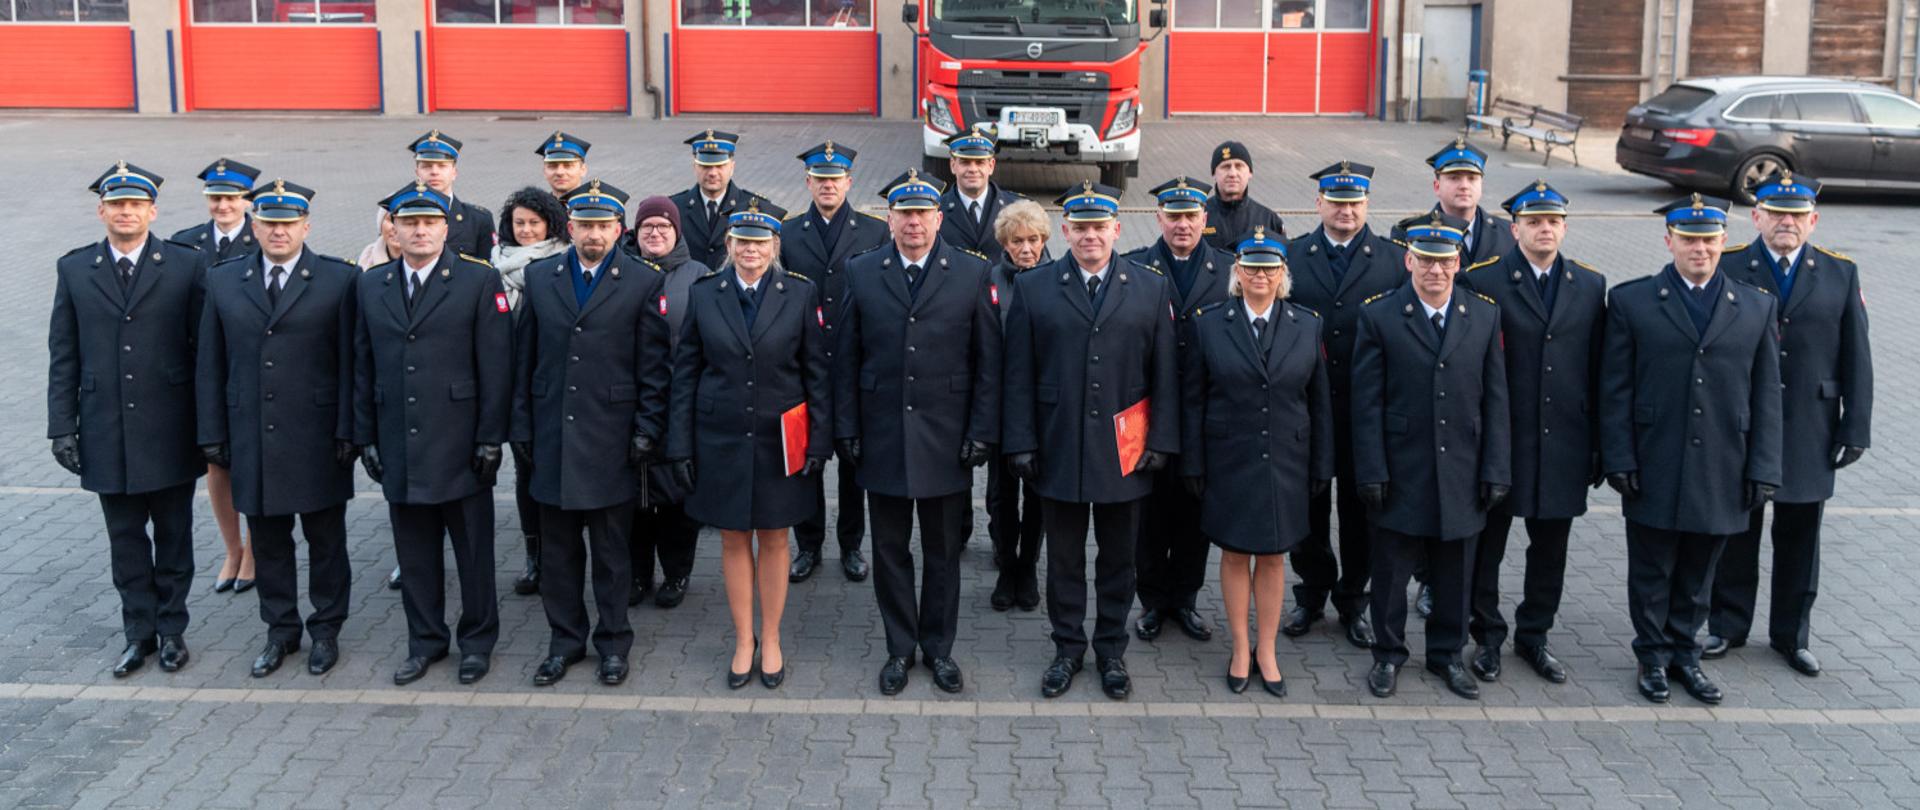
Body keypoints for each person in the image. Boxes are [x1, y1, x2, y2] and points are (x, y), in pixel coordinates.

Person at [1601, 195, 1783, 705]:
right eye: (1688, 239)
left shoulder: (1756, 306)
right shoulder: (1633, 301)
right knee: (1652, 568)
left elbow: (1767, 395)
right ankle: (1652, 656)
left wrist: (1765, 466)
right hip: (1655, 458)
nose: (1699, 248)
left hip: (1724, 463)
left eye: (1708, 239)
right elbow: (1615, 389)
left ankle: (1685, 653)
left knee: (1701, 570)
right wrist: (1619, 456)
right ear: (1669, 242)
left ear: (1724, 242)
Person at [1003, 182, 1179, 701]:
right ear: (1065, 231)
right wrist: (1020, 441)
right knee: (1063, 559)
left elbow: (1165, 373)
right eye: (1080, 227)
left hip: (1126, 451)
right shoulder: (1034, 288)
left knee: (1118, 559)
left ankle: (1110, 650)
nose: (1090, 236)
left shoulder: (1150, 287)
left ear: (1117, 229)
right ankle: (1067, 648)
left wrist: (1162, 441)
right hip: (1057, 445)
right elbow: (1018, 373)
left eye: (1099, 226)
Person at [837, 170, 1001, 695]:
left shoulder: (972, 272)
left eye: (923, 213)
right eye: (904, 214)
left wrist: (981, 430)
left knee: (943, 552)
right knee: (889, 550)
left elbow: (987, 363)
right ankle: (899, 647)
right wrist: (847, 426)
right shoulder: (862, 270)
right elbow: (846, 357)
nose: (914, 223)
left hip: (945, 436)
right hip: (882, 431)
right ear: (890, 220)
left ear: (939, 218)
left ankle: (938, 648)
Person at [1705, 172, 1871, 676]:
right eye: (1776, 213)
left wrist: (1855, 427)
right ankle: (1728, 625)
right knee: (1738, 530)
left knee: (1800, 535)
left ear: (1813, 221)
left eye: (1797, 215)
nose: (1787, 223)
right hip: (1743, 423)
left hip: (1809, 425)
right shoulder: (1729, 265)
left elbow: (1856, 355)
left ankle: (1791, 636)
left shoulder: (1840, 273)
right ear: (1756, 217)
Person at [48, 163, 207, 677]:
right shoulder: (75, 269)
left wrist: (209, 427)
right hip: (106, 430)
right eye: (117, 205)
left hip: (171, 427)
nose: (126, 212)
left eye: (136, 205)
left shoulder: (185, 265)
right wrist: (62, 427)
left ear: (152, 212)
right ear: (101, 211)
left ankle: (173, 631)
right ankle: (138, 635)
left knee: (174, 535)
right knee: (125, 540)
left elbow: (204, 352)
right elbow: (64, 355)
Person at [195, 179, 359, 678]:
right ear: (255, 225)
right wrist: (212, 432)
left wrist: (350, 430)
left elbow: (352, 363)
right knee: (268, 543)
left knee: (326, 542)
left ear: (306, 226)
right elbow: (211, 362)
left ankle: (326, 630)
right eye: (269, 223)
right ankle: (280, 630)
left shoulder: (338, 279)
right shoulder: (224, 280)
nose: (278, 232)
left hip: (317, 435)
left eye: (288, 224)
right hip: (253, 433)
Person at [512, 181, 671, 688]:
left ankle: (613, 643)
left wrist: (648, 428)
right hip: (553, 437)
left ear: (619, 229)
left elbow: (654, 367)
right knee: (558, 554)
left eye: (604, 226)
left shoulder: (643, 281)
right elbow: (524, 359)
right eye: (586, 225)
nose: (595, 234)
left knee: (611, 553)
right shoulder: (541, 278)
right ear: (571, 228)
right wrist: (521, 426)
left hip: (611, 440)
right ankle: (565, 642)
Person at [665, 199, 827, 692]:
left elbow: (817, 374)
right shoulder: (705, 293)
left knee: (775, 537)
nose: (750, 250)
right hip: (721, 436)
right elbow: (686, 373)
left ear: (774, 246)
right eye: (742, 242)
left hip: (781, 439)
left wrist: (819, 441)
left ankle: (771, 638)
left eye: (760, 242)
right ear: (729, 245)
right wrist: (680, 444)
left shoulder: (799, 293)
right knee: (734, 537)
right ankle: (743, 639)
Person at [354, 183, 512, 686]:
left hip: (460, 441)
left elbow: (496, 365)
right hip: (399, 438)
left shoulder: (477, 279)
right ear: (394, 229)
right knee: (415, 553)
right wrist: (365, 435)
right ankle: (425, 641)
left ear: (446, 228)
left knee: (473, 553)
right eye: (409, 222)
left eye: (429, 222)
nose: (419, 230)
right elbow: (361, 364)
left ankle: (477, 642)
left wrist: (491, 437)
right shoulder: (371, 284)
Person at [1351, 213, 1511, 701]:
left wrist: (1496, 468)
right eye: (1425, 260)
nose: (1435, 270)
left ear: (1458, 262)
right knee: (1391, 572)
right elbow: (1366, 403)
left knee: (1455, 572)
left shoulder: (1483, 315)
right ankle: (1387, 654)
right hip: (1401, 468)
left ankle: (1446, 655)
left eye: (1444, 261)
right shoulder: (1379, 315)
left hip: (1463, 468)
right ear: (1409, 261)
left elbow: (1496, 399)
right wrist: (1371, 469)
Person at [1455, 181, 1606, 685]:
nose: (1545, 229)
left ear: (1564, 227)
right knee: (1487, 546)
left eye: (1553, 221)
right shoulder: (1483, 280)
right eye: (1534, 221)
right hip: (1502, 439)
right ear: (1514, 227)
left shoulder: (1590, 284)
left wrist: (1599, 445)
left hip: (1564, 440)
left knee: (1550, 548)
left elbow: (1599, 368)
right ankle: (1487, 637)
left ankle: (1535, 635)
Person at [1178, 229, 1332, 699]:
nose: (1260, 275)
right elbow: (1193, 401)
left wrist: (1321, 465)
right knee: (1233, 553)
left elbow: (1319, 403)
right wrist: (1193, 462)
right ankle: (1240, 648)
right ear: (1237, 273)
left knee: (1272, 556)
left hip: (1286, 459)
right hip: (1230, 459)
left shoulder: (1307, 324)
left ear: (1282, 274)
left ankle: (1267, 649)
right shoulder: (1208, 324)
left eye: (1269, 267)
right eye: (1251, 267)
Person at [1281, 162, 1403, 649]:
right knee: (1306, 506)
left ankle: (1354, 599)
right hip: (1305, 408)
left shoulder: (1394, 260)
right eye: (1336, 202)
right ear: (1319, 204)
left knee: (1362, 509)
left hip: (1364, 410)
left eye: (1354, 202)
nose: (1345, 210)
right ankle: (1312, 592)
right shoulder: (1291, 255)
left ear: (1367, 205)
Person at [1123, 177, 1235, 644]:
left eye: (1191, 215)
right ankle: (1152, 601)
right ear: (1159, 219)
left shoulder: (1228, 269)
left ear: (1204, 218)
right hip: (1149, 411)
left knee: (1194, 509)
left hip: (1206, 413)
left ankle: (1185, 598)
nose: (1182, 224)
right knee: (1149, 512)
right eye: (1174, 216)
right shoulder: (1134, 267)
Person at [780, 141, 888, 584]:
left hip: (852, 362)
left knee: (852, 459)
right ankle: (808, 545)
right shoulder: (787, 233)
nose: (828, 186)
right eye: (820, 179)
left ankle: (851, 544)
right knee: (807, 459)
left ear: (849, 182)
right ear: (808, 182)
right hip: (803, 364)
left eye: (835, 179)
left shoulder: (874, 231)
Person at [171, 158, 260, 595]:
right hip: (202, 368)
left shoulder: (263, 236)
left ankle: (255, 552)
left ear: (246, 200)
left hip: (249, 364)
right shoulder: (185, 244)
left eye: (231, 197)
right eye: (215, 197)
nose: (223, 205)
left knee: (254, 458)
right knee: (215, 460)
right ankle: (232, 549)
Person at [626, 195, 707, 609]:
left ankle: (677, 572)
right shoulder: (622, 271)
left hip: (680, 404)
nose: (655, 233)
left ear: (677, 232)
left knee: (676, 495)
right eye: (647, 227)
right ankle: (637, 574)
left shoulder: (699, 276)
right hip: (632, 404)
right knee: (634, 497)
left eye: (663, 226)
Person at [493, 187, 570, 596]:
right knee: (524, 472)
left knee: (553, 470)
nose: (525, 230)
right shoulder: (495, 263)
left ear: (550, 225)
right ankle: (534, 555)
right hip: (508, 383)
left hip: (549, 383)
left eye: (534, 223)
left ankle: (561, 554)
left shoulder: (562, 262)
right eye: (519, 222)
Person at [985, 200, 1051, 612]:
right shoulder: (988, 280)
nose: (1026, 248)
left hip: (1044, 408)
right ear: (1004, 244)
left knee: (1038, 493)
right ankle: (1006, 565)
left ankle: (1028, 567)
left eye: (1033, 239)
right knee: (1001, 494)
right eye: (1016, 241)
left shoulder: (1058, 278)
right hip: (1001, 406)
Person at [1391, 139, 1515, 267]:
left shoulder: (1508, 233)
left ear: (1481, 185)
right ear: (1437, 187)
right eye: (1454, 178)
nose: (1464, 186)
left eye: (1472, 178)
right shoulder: (1409, 235)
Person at [670, 130, 771, 269]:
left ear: (732, 167)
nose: (712, 173)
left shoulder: (756, 207)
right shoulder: (675, 207)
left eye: (720, 166)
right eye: (705, 166)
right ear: (695, 167)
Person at [937, 126, 1022, 265]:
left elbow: (1039, 262)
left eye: (980, 162)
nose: (973, 169)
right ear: (953, 165)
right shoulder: (935, 210)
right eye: (965, 162)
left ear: (991, 166)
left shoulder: (1017, 208)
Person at [407, 130, 496, 257]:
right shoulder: (403, 216)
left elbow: (488, 267)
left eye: (442, 166)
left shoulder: (478, 220)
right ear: (417, 173)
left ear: (454, 172)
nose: (434, 172)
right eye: (426, 166)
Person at [1201, 140, 1286, 250]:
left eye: (1239, 166)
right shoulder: (1198, 217)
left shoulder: (1269, 220)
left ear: (1250, 173)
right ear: (1214, 173)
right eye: (1225, 167)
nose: (1232, 173)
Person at [536, 131, 590, 200]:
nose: (560, 172)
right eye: (552, 166)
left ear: (583, 170)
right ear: (544, 171)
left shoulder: (597, 206)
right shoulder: (535, 206)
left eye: (568, 166)